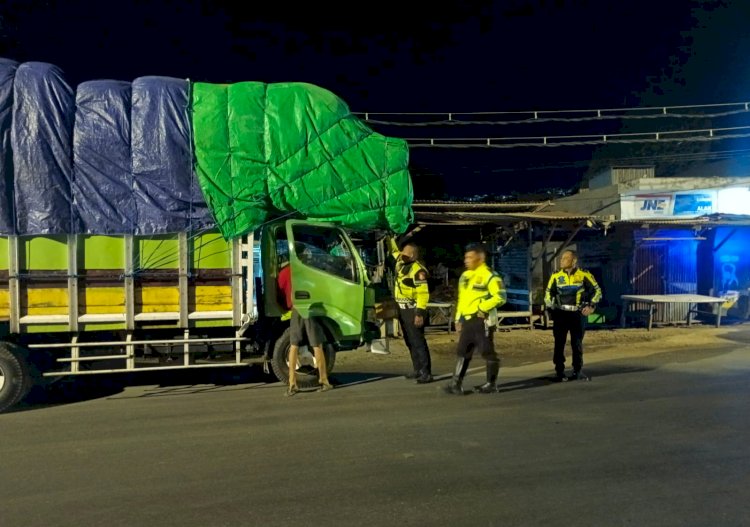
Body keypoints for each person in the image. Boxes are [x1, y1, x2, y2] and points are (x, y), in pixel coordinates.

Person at [444, 243, 507, 395]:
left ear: (480, 258)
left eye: (470, 257)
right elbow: (462, 299)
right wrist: (458, 318)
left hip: (482, 320)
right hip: (467, 320)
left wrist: (482, 308)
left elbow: (500, 297)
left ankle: (491, 384)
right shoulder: (465, 276)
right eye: (466, 257)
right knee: (463, 351)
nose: (466, 260)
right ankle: (456, 384)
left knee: (487, 351)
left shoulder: (490, 275)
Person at [277, 253, 333, 396]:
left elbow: (282, 294)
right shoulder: (307, 271)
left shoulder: (283, 273)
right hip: (309, 309)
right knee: (317, 344)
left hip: (296, 310)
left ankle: (292, 383)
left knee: (293, 345)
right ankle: (324, 380)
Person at [544, 249, 602, 382]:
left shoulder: (584, 275)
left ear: (573, 260)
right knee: (559, 343)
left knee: (577, 343)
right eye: (561, 258)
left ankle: (577, 371)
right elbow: (548, 294)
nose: (561, 261)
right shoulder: (556, 276)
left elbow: (597, 291)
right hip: (561, 314)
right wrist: (550, 310)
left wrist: (591, 306)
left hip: (577, 314)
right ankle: (559, 372)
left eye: (565, 258)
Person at [389, 236, 433, 384]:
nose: (401, 255)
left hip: (413, 310)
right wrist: (389, 236)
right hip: (402, 310)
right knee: (409, 341)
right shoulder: (401, 263)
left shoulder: (418, 271)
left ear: (413, 255)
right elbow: (393, 251)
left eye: (405, 253)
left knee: (418, 341)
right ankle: (417, 369)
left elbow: (423, 294)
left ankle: (426, 372)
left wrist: (419, 313)